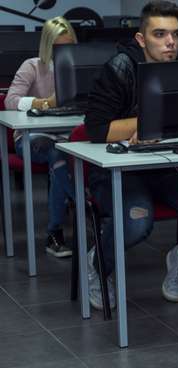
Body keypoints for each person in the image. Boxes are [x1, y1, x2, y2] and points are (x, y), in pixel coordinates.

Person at [84, 0, 178, 310]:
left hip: (165, 165)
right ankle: (98, 264)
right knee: (137, 222)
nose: (171, 42)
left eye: (175, 34)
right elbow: (95, 129)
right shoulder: (120, 67)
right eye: (160, 34)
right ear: (141, 39)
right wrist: (148, 122)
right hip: (117, 170)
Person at [4, 16, 77, 258]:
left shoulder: (81, 66)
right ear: (47, 45)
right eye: (58, 47)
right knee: (59, 155)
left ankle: (61, 229)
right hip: (32, 138)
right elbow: (10, 100)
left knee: (62, 156)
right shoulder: (33, 66)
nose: (64, 52)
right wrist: (45, 102)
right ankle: (78, 215)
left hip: (68, 135)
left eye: (69, 46)